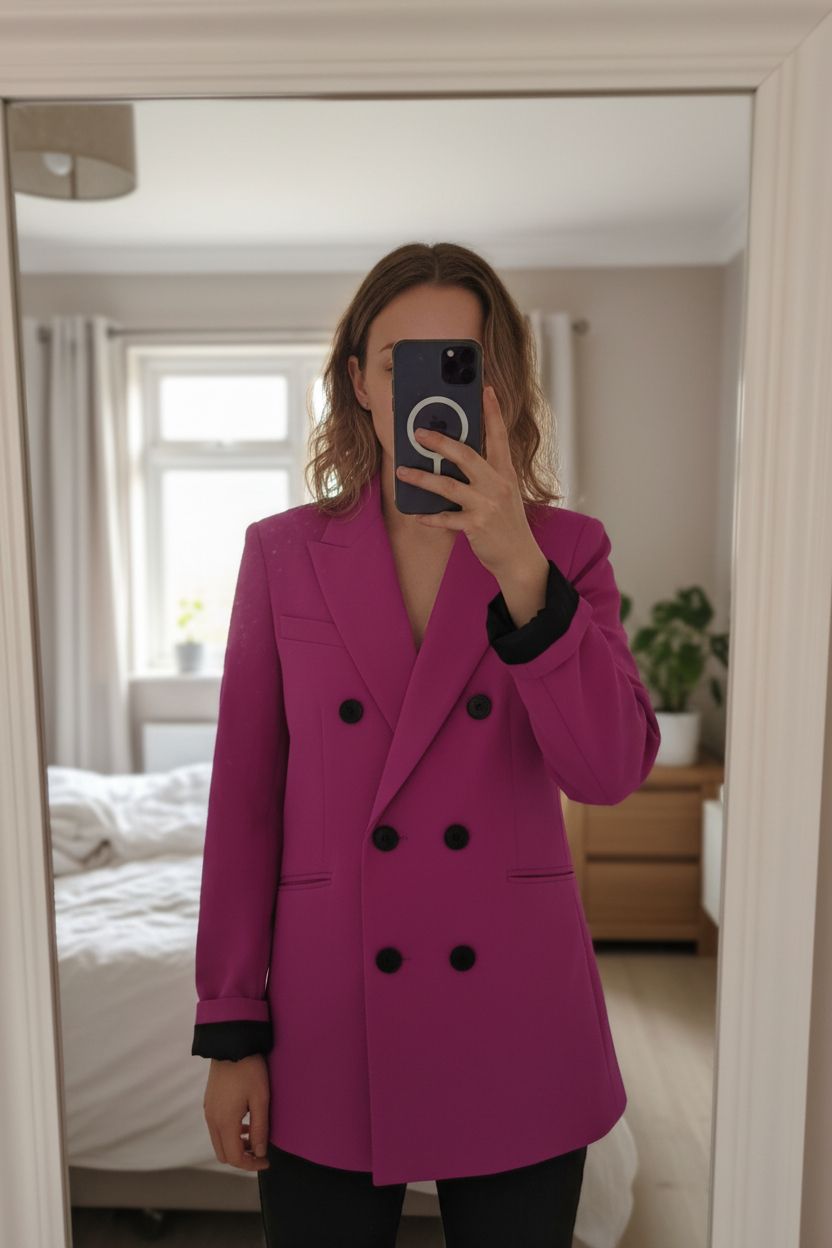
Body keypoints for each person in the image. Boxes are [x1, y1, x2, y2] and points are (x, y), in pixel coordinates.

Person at [191, 241, 661, 1248]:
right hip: (329, 1015)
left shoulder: (565, 549)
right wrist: (232, 1028)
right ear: (360, 380)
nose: (430, 386)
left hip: (519, 1013)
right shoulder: (280, 555)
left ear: (499, 385)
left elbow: (609, 771)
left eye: (463, 359)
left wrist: (519, 571)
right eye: (404, 357)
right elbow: (244, 803)